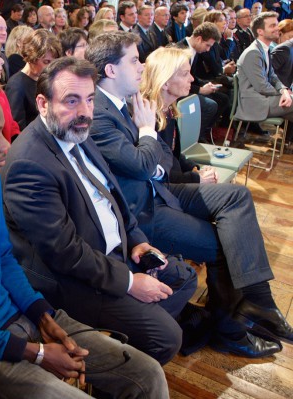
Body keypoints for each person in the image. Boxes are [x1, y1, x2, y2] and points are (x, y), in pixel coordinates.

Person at [0, 79, 170, 399]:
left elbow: (4, 258)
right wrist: (34, 352)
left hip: (20, 315)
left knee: (147, 374)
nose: (6, 145)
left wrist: (41, 314)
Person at [87, 31, 288, 358]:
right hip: (140, 213)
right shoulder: (104, 112)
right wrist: (148, 130)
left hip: (154, 194)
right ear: (111, 70)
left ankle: (257, 300)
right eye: (134, 60)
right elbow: (142, 166)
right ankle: (230, 327)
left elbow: (154, 164)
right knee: (224, 243)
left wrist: (154, 148)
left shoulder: (121, 104)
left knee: (236, 200)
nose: (141, 67)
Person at [2, 53, 197, 365]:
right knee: (167, 337)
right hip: (72, 279)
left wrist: (137, 240)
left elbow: (114, 196)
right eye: (71, 100)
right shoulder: (29, 163)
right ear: (42, 104)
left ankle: (129, 339)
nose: (85, 112)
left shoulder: (79, 131)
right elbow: (65, 253)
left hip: (115, 253)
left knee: (185, 278)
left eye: (90, 99)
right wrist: (132, 283)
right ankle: (123, 368)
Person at [141, 46, 218, 184]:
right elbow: (159, 173)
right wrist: (196, 178)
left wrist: (194, 168)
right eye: (185, 74)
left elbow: (172, 154)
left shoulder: (167, 110)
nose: (192, 78)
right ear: (165, 82)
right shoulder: (148, 118)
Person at [237, 12, 293, 125]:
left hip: (265, 99)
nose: (277, 28)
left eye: (276, 25)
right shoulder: (252, 52)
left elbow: (273, 76)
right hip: (255, 103)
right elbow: (262, 86)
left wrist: (284, 90)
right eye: (272, 26)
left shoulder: (264, 49)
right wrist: (284, 94)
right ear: (260, 31)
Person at [5, 29, 61, 130]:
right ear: (32, 58)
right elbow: (17, 129)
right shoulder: (16, 85)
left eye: (53, 62)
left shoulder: (46, 78)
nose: (51, 67)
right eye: (46, 62)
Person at [270, 19, 293, 88]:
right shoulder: (277, 49)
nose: (291, 40)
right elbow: (270, 74)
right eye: (290, 37)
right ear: (280, 33)